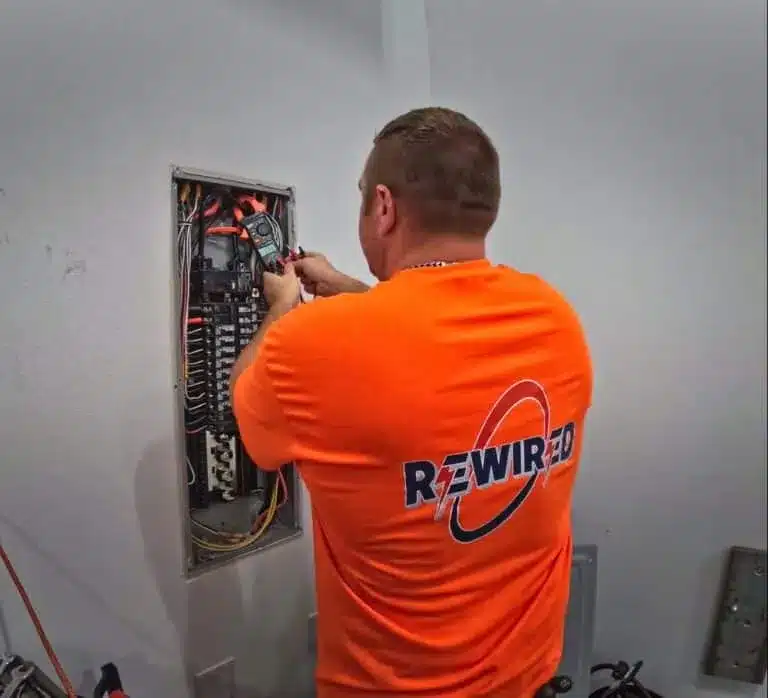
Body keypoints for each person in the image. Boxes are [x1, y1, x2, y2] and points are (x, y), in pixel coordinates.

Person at [230, 107, 593, 698]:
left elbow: (249, 421)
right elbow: (437, 333)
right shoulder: (553, 317)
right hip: (525, 676)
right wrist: (351, 291)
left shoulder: (312, 345)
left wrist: (283, 305)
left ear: (383, 205)